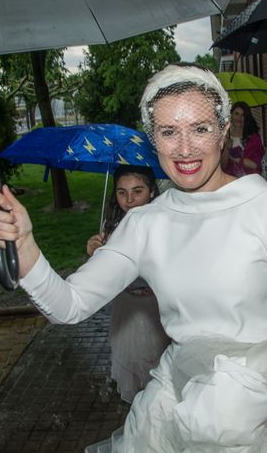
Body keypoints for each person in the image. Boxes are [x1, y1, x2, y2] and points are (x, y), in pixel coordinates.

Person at [0, 64, 267, 452]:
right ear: (153, 139)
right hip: (177, 407)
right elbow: (70, 306)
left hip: (265, 415)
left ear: (223, 131)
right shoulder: (144, 224)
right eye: (168, 132)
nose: (184, 148)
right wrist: (27, 252)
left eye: (199, 129)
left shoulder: (266, 208)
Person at [85, 165, 170, 403]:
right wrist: (96, 254)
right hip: (126, 306)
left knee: (158, 363)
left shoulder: (164, 223)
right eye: (122, 192)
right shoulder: (111, 227)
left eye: (137, 191)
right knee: (131, 357)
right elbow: (105, 276)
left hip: (157, 307)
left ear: (152, 192)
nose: (129, 200)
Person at [221, 101, 265, 177]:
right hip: (230, 182)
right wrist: (227, 149)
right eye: (236, 114)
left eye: (243, 115)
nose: (239, 118)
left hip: (250, 181)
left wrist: (235, 159)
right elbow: (222, 166)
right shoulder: (224, 136)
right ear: (231, 115)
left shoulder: (253, 138)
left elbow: (255, 165)